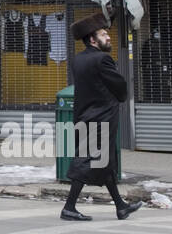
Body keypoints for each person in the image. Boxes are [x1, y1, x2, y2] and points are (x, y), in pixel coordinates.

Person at [60, 13, 143, 221]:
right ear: (92, 40)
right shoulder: (103, 59)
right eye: (104, 34)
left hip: (84, 116)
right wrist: (120, 96)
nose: (108, 37)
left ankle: (120, 206)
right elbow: (119, 85)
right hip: (100, 118)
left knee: (103, 162)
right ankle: (69, 207)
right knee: (88, 160)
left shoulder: (78, 60)